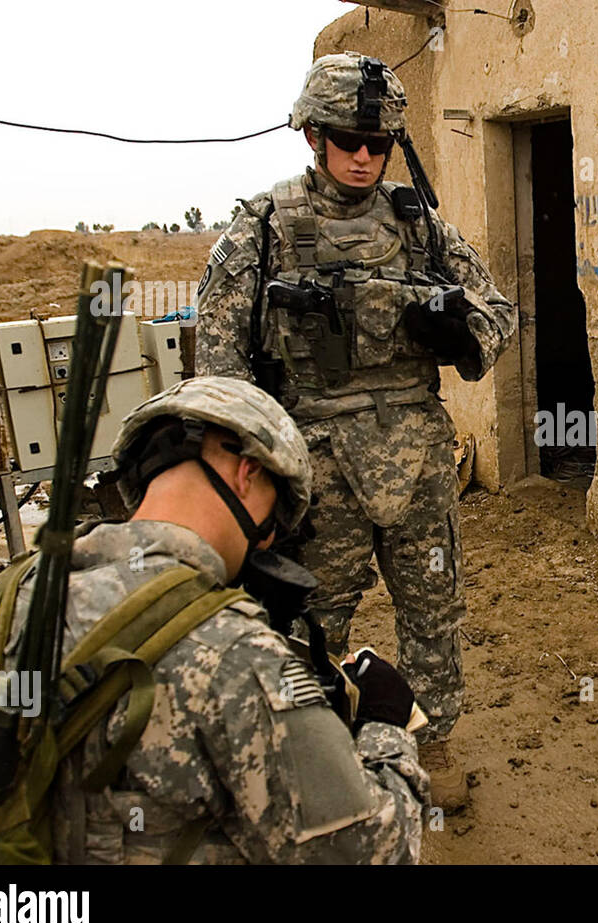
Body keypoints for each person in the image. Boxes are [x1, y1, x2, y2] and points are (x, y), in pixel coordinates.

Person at [194, 53, 516, 810]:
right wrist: (255, 482)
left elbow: (499, 313)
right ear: (312, 135)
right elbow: (218, 370)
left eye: (379, 142)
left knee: (434, 611)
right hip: (315, 470)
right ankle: (323, 765)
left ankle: (431, 746)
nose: (365, 156)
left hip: (420, 463)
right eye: (349, 139)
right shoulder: (264, 230)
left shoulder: (422, 228)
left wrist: (455, 328)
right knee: (313, 625)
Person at [5, 377, 427, 863]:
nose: (265, 543)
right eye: (273, 522)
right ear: (246, 473)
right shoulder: (235, 653)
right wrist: (384, 722)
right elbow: (374, 852)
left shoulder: (24, 591)